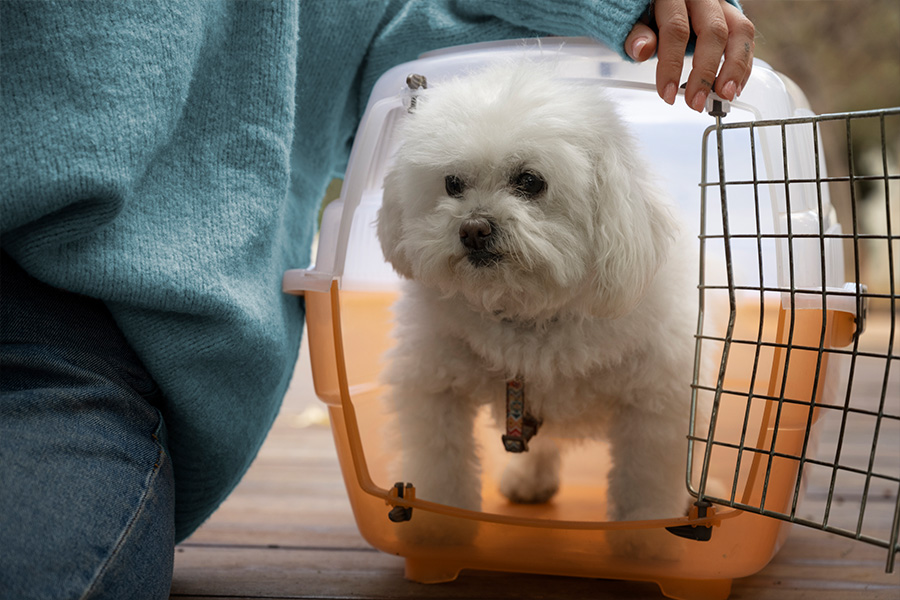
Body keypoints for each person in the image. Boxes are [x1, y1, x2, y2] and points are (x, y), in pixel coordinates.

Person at [0, 1, 753, 598]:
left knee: (656, 400)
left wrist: (626, 6)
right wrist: (441, 525)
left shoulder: (646, 290)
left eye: (529, 184)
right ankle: (502, 487)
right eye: (453, 187)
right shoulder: (441, 307)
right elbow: (427, 394)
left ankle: (590, 483)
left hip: (75, 340)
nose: (478, 220)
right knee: (451, 396)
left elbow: (421, 23)